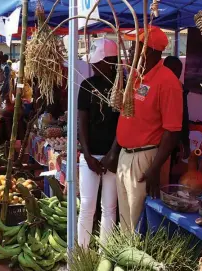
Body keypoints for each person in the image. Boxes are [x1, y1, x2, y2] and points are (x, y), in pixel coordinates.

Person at [104, 27, 183, 231]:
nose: (130, 51)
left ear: (149, 51)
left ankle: (136, 261)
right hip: (125, 156)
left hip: (145, 158)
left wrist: (155, 168)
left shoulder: (168, 82)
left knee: (138, 223)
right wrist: (115, 151)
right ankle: (125, 259)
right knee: (125, 221)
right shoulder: (135, 77)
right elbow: (125, 118)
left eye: (135, 47)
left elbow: (172, 131)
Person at [77, 39, 119, 247]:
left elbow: (125, 124)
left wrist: (113, 154)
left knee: (109, 207)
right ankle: (81, 254)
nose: (93, 66)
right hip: (91, 156)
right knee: (86, 206)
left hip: (115, 157)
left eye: (98, 62)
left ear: (111, 62)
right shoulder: (87, 86)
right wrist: (87, 155)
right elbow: (81, 122)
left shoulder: (122, 87)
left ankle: (106, 254)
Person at [163, 56, 191, 162]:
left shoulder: (155, 84)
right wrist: (185, 143)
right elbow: (183, 117)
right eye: (179, 71)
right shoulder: (178, 89)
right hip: (169, 139)